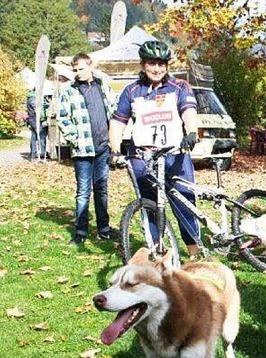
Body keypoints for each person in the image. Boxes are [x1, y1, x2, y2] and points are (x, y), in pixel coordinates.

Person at [109, 40, 201, 257]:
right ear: (143, 64)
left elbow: (189, 112)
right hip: (143, 157)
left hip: (174, 155)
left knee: (185, 204)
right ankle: (157, 252)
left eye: (161, 64)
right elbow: (117, 123)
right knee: (150, 205)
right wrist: (114, 150)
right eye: (152, 63)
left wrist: (191, 133)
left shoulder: (180, 87)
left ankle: (195, 254)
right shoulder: (131, 91)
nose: (157, 69)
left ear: (167, 65)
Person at [58, 53, 118, 245]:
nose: (78, 73)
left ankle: (104, 230)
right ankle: (81, 233)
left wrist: (113, 139)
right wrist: (74, 139)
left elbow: (115, 110)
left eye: (81, 69)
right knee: (83, 192)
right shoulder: (69, 90)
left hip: (102, 148)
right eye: (75, 70)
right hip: (82, 149)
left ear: (91, 66)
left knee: (101, 190)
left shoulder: (103, 86)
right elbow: (62, 117)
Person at [26, 89, 48, 161]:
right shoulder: (34, 98)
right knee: (41, 136)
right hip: (36, 119)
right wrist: (44, 119)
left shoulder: (31, 97)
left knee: (34, 136)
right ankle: (41, 155)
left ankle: (33, 155)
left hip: (32, 119)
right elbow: (38, 110)